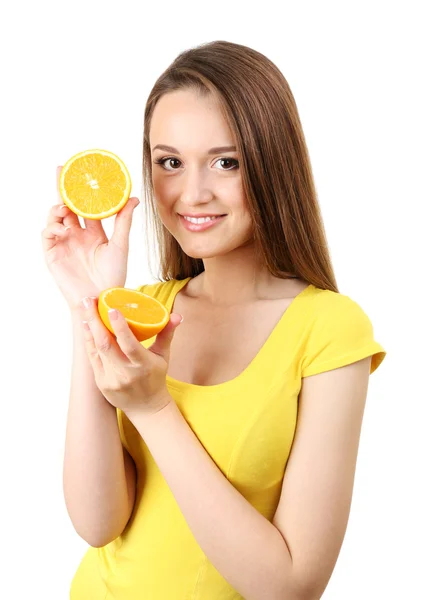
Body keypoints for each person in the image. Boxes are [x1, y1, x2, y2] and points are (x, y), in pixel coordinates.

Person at [42, 40, 387, 600]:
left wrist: (154, 408)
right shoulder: (141, 308)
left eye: (227, 162)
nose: (192, 193)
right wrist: (91, 306)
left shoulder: (329, 329)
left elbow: (292, 587)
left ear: (274, 164)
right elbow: (97, 523)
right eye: (169, 162)